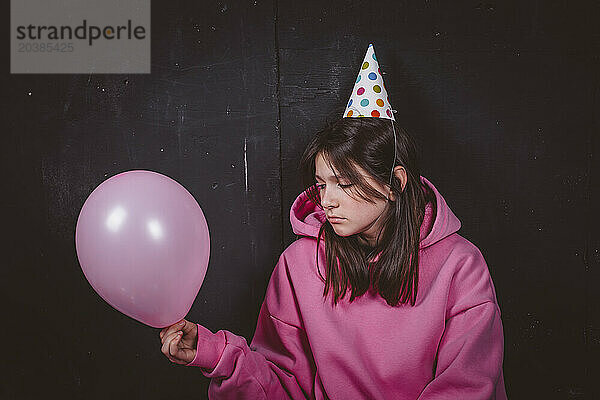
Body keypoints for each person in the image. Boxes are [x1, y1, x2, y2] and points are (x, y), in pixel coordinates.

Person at [159, 44, 507, 399]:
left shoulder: (461, 266)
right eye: (323, 184)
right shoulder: (298, 265)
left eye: (345, 183)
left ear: (395, 183)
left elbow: (467, 387)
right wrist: (214, 353)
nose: (327, 200)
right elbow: (281, 384)